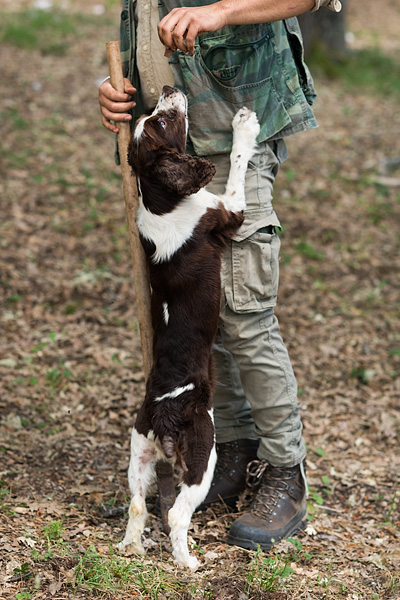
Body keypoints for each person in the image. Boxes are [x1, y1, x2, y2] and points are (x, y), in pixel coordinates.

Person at [98, 0, 341, 551]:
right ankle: (232, 449)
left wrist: (223, 10)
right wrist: (118, 91)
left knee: (247, 317)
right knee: (210, 322)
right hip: (173, 155)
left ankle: (286, 471)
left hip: (236, 130)